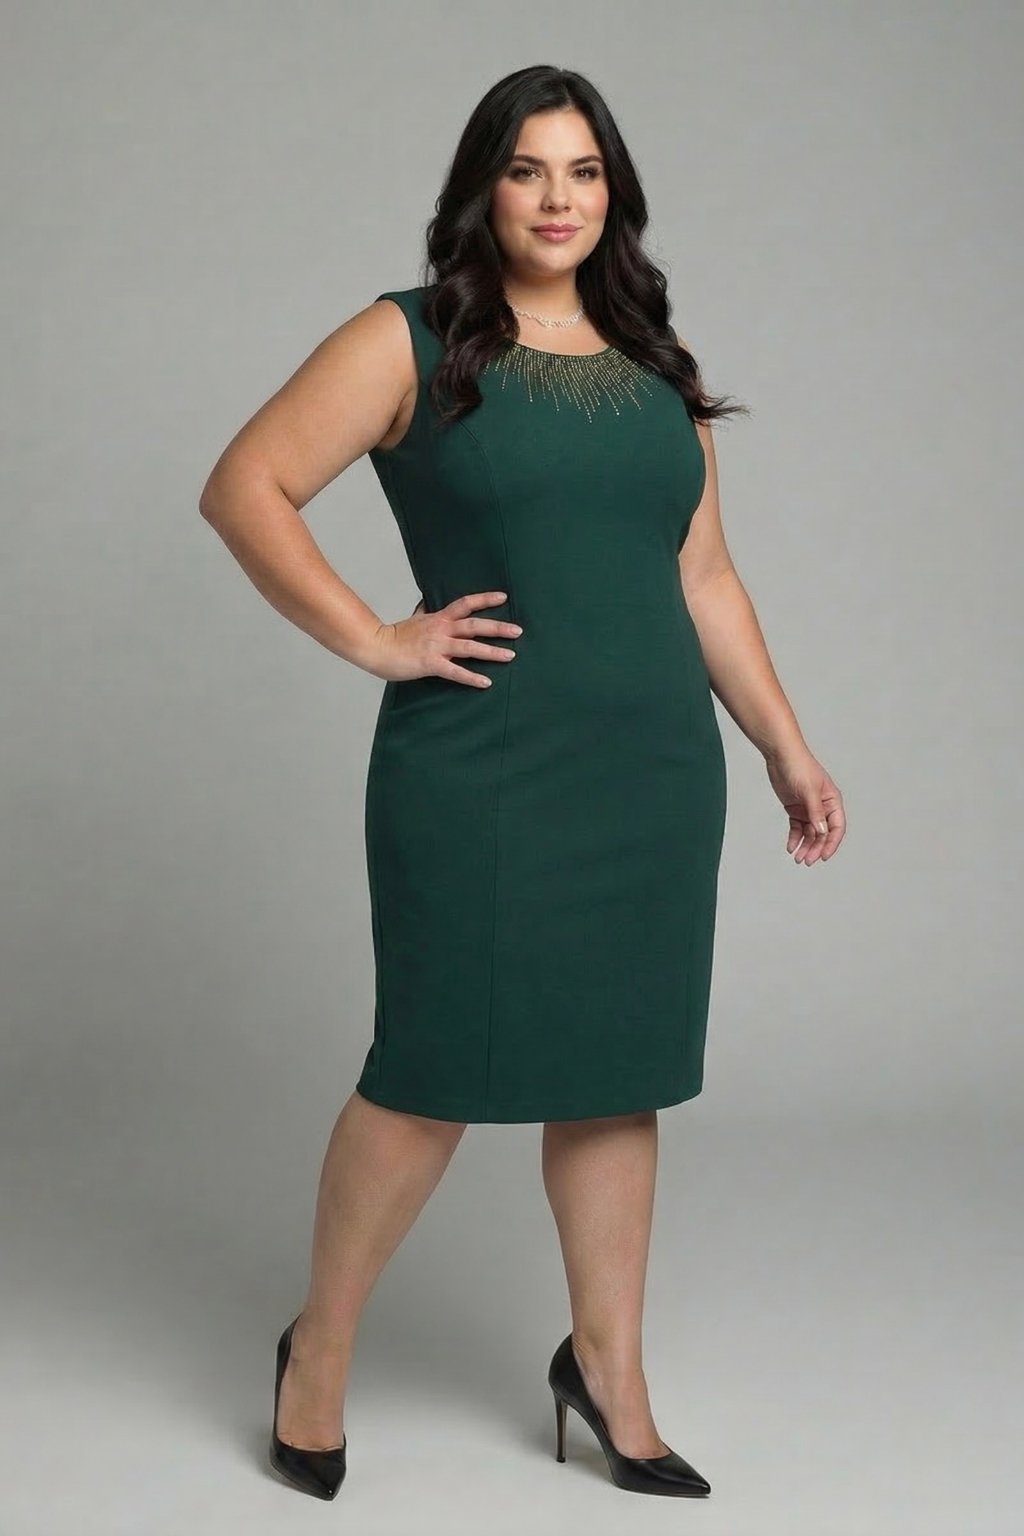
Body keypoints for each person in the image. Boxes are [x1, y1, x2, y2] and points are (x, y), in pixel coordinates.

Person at [199, 64, 846, 1503]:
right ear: (482, 188)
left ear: (615, 194)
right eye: (528, 170)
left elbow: (705, 576)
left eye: (584, 172)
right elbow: (245, 486)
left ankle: (609, 1375)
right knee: (428, 1074)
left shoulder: (654, 357)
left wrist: (785, 746)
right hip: (482, 770)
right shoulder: (411, 338)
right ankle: (318, 1353)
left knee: (617, 1078)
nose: (559, 199)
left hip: (650, 773)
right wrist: (378, 636)